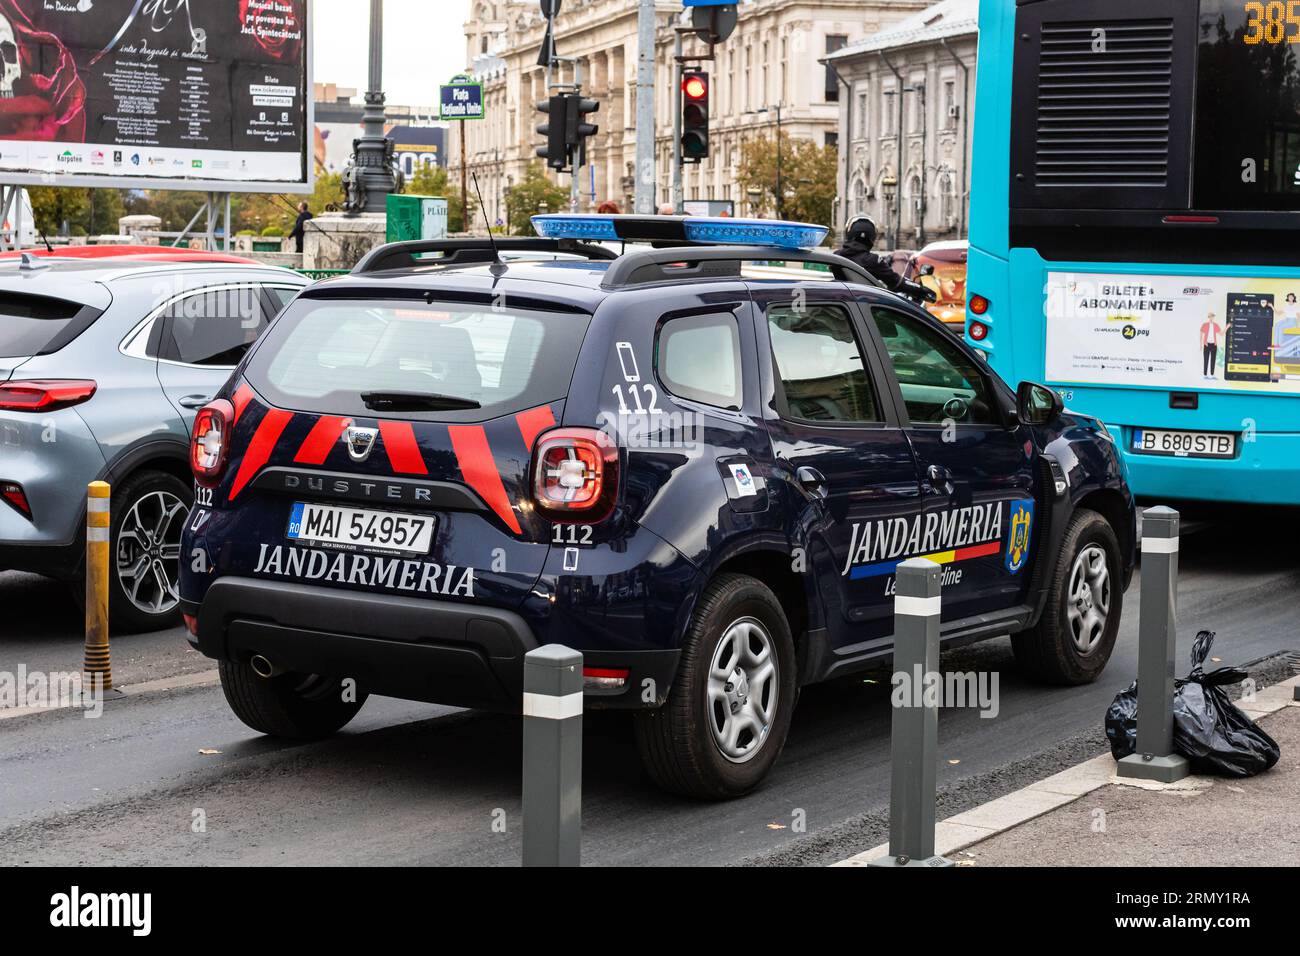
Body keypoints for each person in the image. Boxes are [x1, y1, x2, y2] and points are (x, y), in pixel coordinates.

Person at [834, 215, 905, 291]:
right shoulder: (874, 261)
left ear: (849, 233)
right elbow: (896, 282)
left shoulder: (836, 256)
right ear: (872, 236)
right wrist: (917, 289)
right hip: (865, 301)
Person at [1201, 310, 1224, 380]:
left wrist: (1227, 327)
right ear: (1209, 317)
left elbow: (1221, 334)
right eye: (1211, 316)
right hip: (1207, 344)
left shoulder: (1216, 325)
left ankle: (1212, 374)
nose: (1212, 318)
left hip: (1214, 344)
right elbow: (1201, 334)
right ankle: (1205, 375)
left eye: (1213, 316)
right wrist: (1201, 343)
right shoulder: (1205, 325)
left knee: (1213, 360)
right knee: (1206, 359)